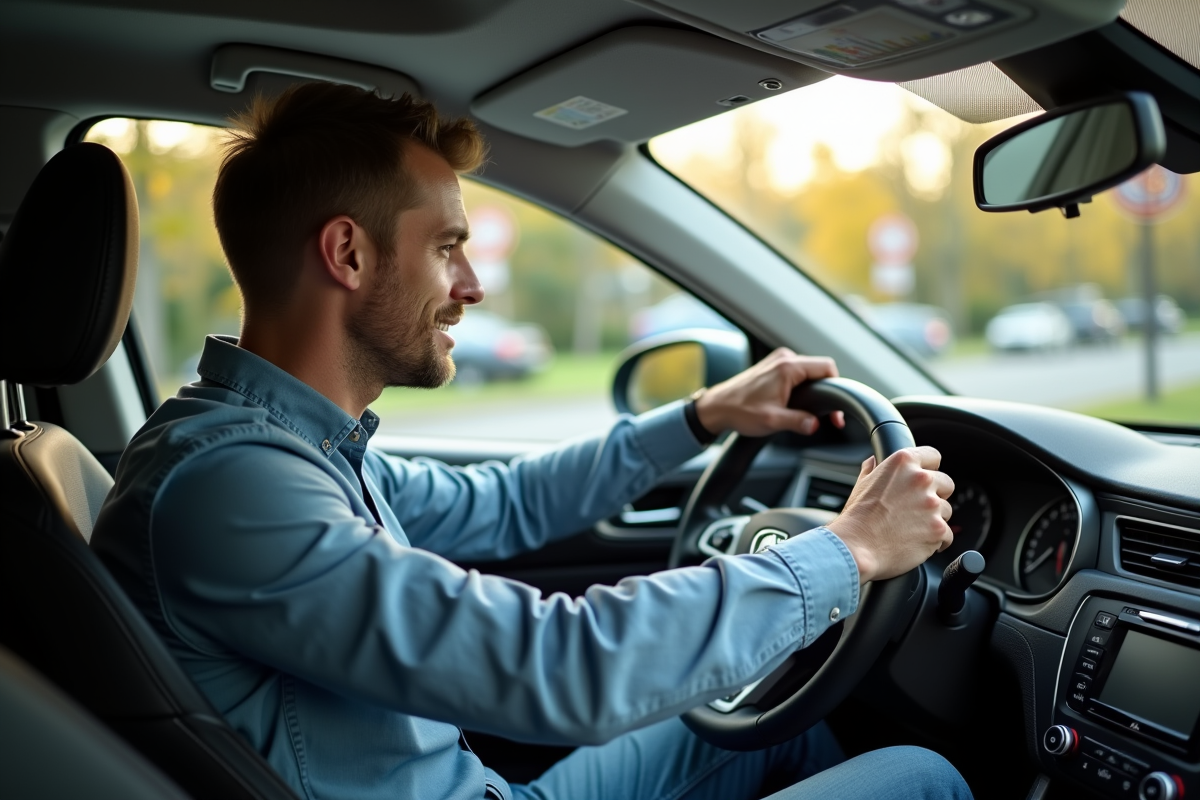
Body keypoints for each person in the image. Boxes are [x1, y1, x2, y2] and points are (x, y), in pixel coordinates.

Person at [92, 82, 970, 800]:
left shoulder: (290, 451)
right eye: (446, 247)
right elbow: (556, 665)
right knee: (922, 777)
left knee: (773, 722)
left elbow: (507, 504)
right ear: (348, 255)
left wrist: (701, 417)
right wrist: (850, 548)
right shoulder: (232, 485)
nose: (472, 286)